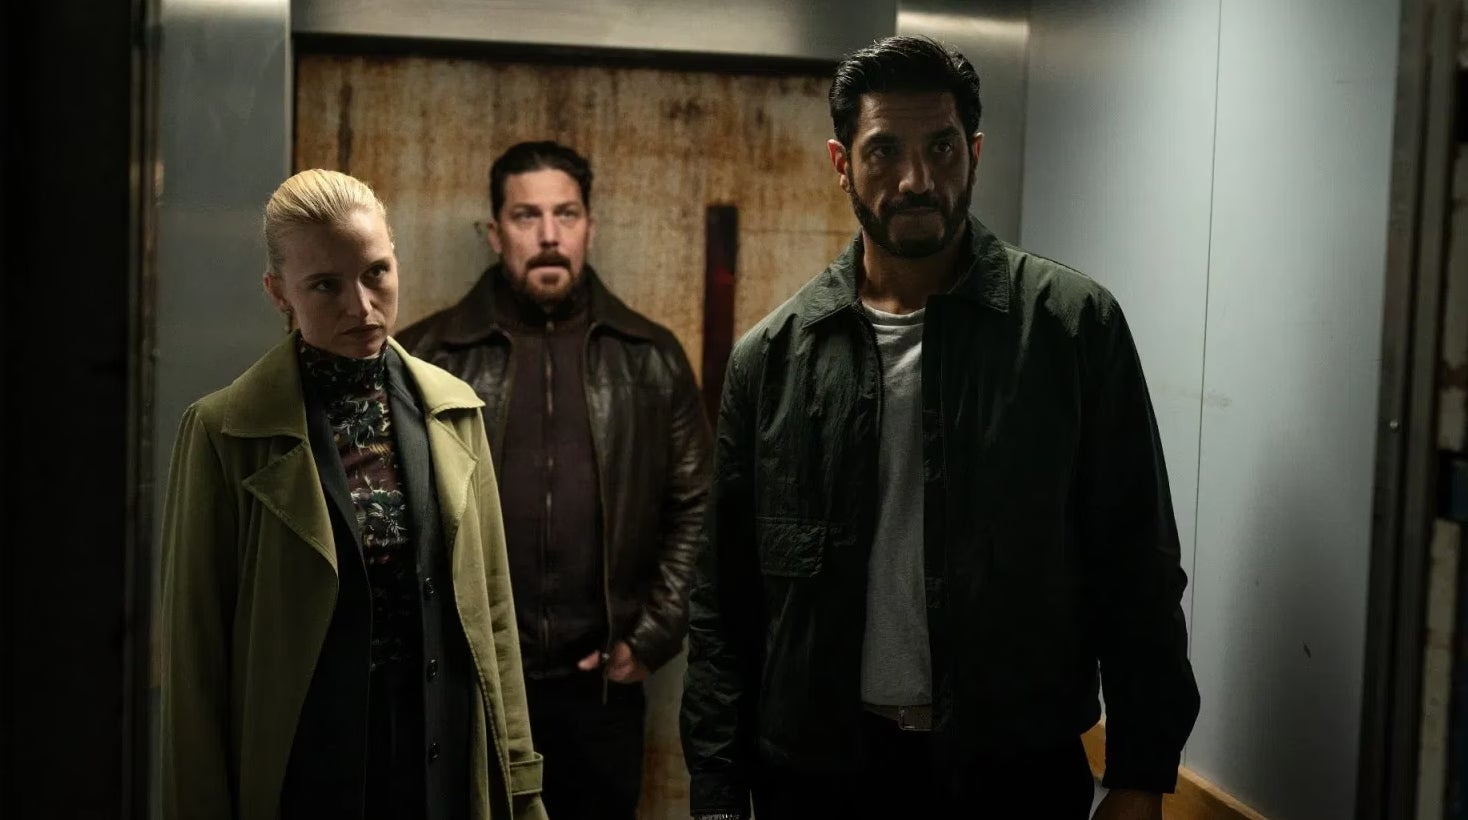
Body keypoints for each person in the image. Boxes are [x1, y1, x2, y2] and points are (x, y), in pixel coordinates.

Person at [681, 35, 1200, 820]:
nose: (917, 180)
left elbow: (1138, 568)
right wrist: (718, 795)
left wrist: (1140, 773)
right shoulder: (773, 358)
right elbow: (724, 604)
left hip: (1013, 776)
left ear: (975, 153)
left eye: (942, 149)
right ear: (841, 162)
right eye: (884, 151)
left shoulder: (1069, 330)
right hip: (819, 779)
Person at [158, 169, 546, 820]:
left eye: (375, 273)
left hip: (439, 768)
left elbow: (494, 621)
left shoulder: (454, 411)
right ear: (278, 292)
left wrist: (521, 786)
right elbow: (196, 658)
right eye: (325, 285)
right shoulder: (224, 432)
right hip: (306, 778)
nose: (361, 307)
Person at [398, 141, 713, 820]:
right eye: (526, 216)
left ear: (589, 227)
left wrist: (650, 639)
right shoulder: (428, 357)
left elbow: (697, 507)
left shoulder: (650, 358)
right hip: (468, 688)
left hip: (598, 694)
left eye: (565, 214)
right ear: (495, 233)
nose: (548, 235)